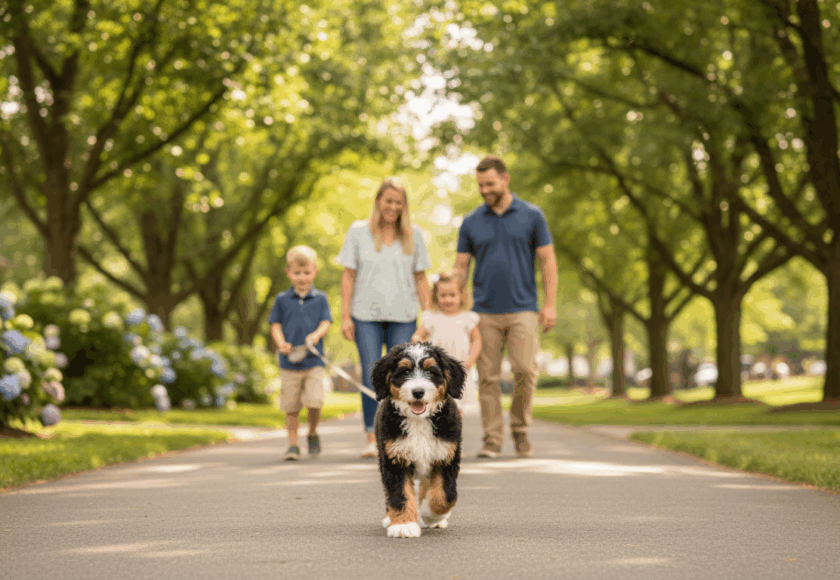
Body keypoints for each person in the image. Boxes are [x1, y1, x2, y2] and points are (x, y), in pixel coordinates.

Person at [454, 155, 558, 459]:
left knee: (525, 370)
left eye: (490, 184)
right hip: (483, 310)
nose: (485, 190)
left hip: (523, 307)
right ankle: (492, 439)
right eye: (480, 185)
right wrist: (452, 295)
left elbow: (548, 260)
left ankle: (520, 431)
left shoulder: (532, 215)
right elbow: (461, 266)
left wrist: (549, 304)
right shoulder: (471, 221)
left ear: (505, 179)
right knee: (487, 378)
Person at [338, 178, 432, 458]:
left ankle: (400, 437)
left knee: (402, 378)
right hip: (364, 315)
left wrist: (428, 317)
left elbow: (421, 277)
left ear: (404, 206)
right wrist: (345, 316)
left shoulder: (414, 235)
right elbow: (348, 276)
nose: (392, 207)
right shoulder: (358, 232)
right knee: (372, 376)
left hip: (404, 315)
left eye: (398, 202)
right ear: (379, 201)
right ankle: (371, 436)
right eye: (388, 201)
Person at [269, 245, 333, 461]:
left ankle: (313, 431)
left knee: (315, 402)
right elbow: (275, 325)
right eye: (297, 273)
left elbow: (326, 322)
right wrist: (281, 344)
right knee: (291, 406)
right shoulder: (281, 300)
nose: (302, 277)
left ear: (314, 271)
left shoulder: (321, 299)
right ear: (289, 273)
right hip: (289, 362)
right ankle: (293, 445)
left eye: (306, 273)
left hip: (313, 361)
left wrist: (316, 335)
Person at [411, 271, 481, 415]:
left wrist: (470, 360)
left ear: (461, 295)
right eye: (443, 295)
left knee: (458, 406)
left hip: (459, 369)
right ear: (436, 297)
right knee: (436, 405)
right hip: (437, 371)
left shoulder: (467, 318)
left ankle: (455, 434)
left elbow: (477, 340)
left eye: (452, 295)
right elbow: (418, 336)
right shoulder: (432, 318)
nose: (447, 299)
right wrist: (419, 342)